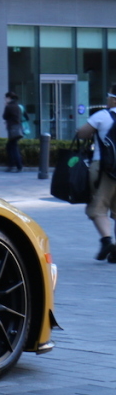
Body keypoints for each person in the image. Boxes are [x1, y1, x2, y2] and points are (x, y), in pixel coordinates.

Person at [78, 85, 116, 263]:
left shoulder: (103, 116)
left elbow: (82, 133)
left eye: (108, 96)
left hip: (103, 167)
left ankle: (107, 241)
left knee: (98, 205)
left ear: (113, 98)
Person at [2, 91, 24, 173]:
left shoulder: (9, 106)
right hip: (17, 129)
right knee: (11, 146)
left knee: (13, 148)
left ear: (9, 98)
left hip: (12, 129)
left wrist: (6, 107)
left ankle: (18, 166)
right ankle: (13, 165)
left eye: (6, 98)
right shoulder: (17, 106)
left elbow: (4, 116)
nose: (5, 99)